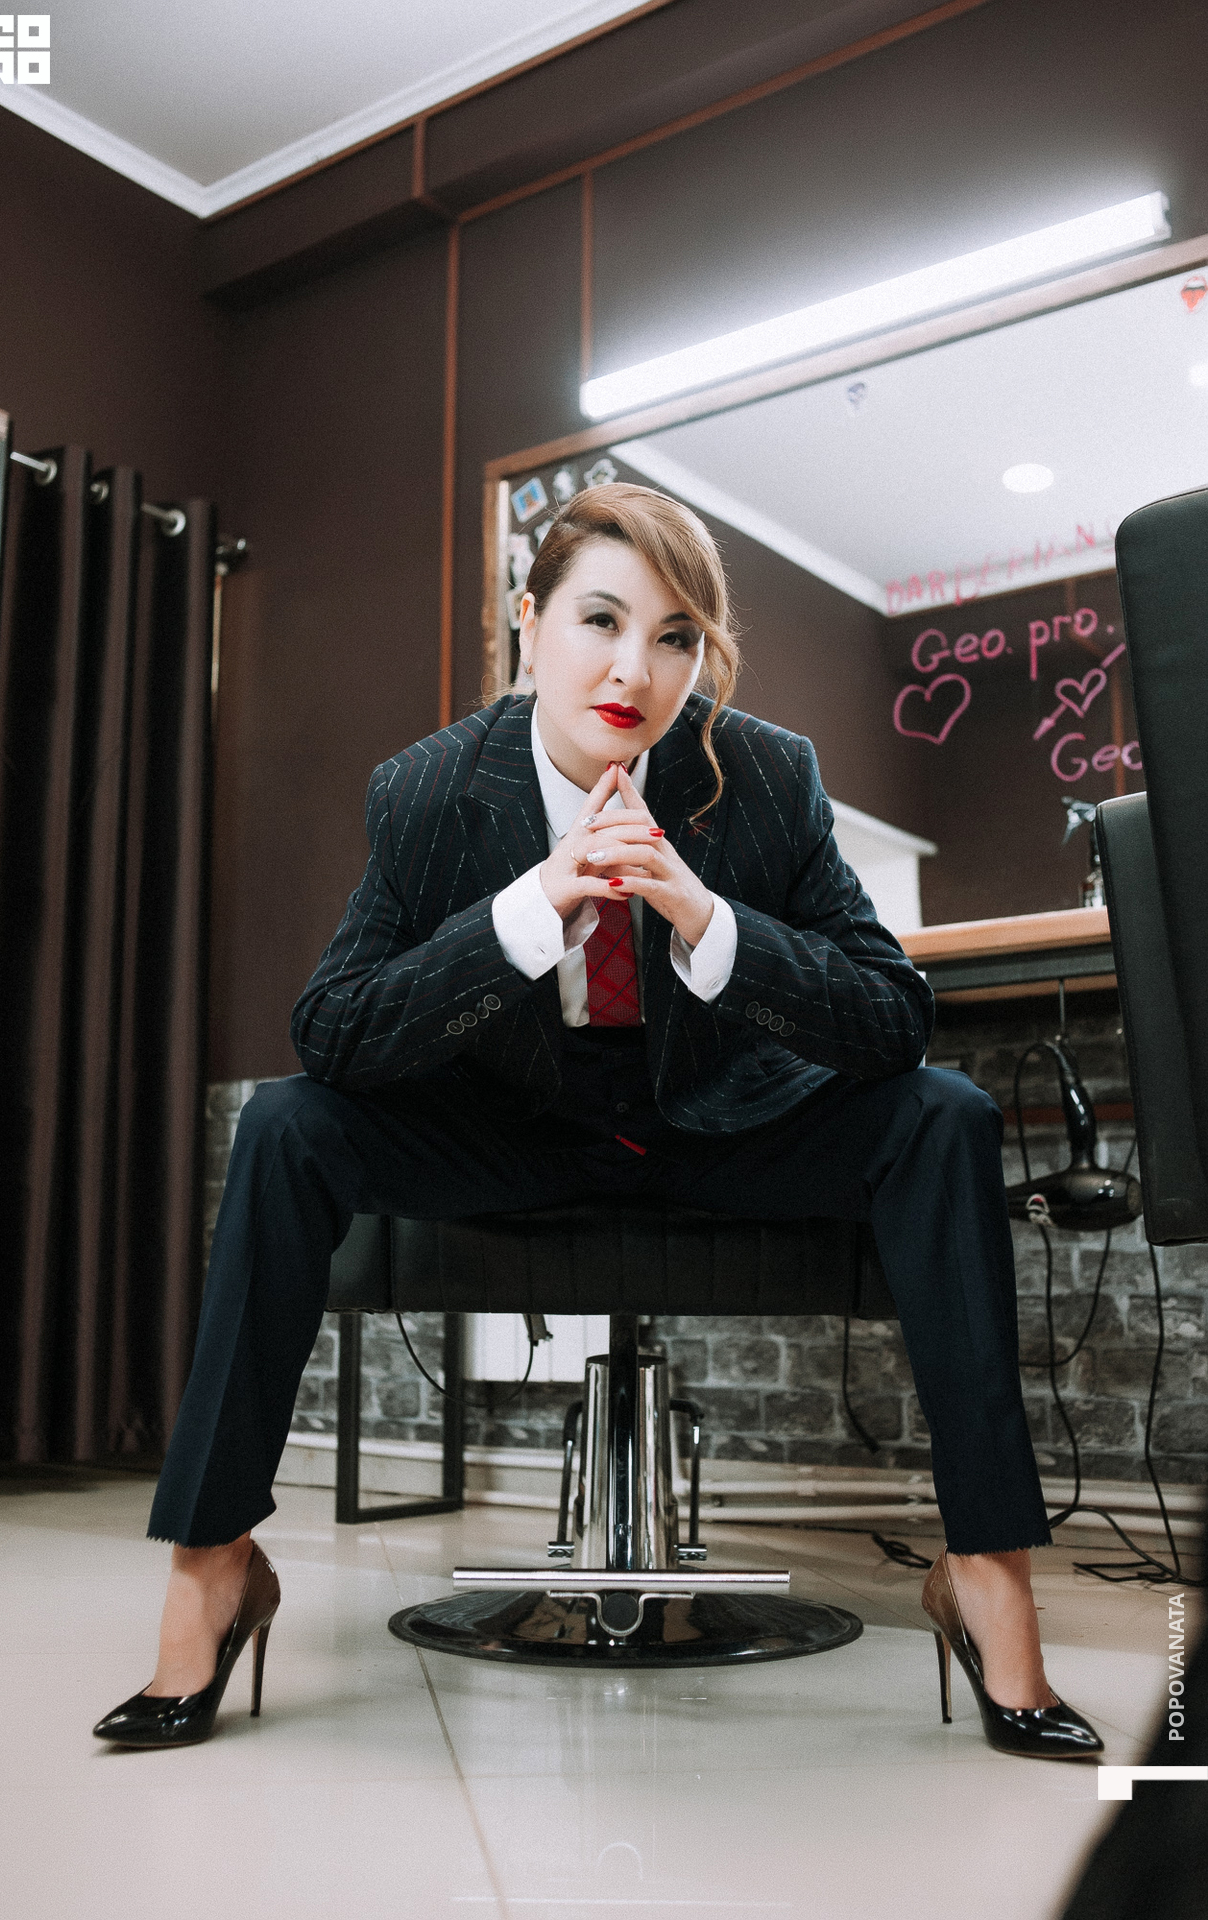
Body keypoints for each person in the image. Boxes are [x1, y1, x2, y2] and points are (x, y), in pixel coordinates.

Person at [94, 483, 1103, 1758]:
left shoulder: (763, 775)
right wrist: (525, 914)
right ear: (530, 621)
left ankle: (987, 1580)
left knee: (944, 1115)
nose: (635, 670)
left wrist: (705, 917)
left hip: (722, 1129)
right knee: (288, 1125)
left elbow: (892, 1017)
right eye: (602, 620)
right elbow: (332, 1033)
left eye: (676, 637)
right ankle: (214, 1572)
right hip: (512, 1135)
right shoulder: (428, 791)